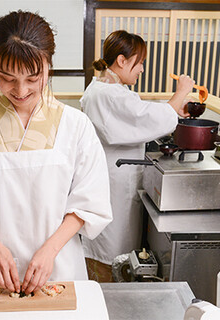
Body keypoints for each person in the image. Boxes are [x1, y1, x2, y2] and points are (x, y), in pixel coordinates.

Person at [0, 10, 112, 294]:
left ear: (48, 66)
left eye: (33, 77)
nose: (20, 90)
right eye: (7, 78)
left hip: (59, 269)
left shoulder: (76, 126)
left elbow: (90, 201)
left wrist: (50, 250)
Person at [80, 30, 194, 282]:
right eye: (139, 62)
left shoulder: (103, 89)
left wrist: (173, 109)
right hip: (113, 183)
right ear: (121, 61)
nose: (141, 68)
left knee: (113, 246)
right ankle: (108, 298)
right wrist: (182, 92)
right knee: (112, 249)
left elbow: (142, 114)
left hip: (113, 178)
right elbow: (146, 118)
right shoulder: (109, 94)